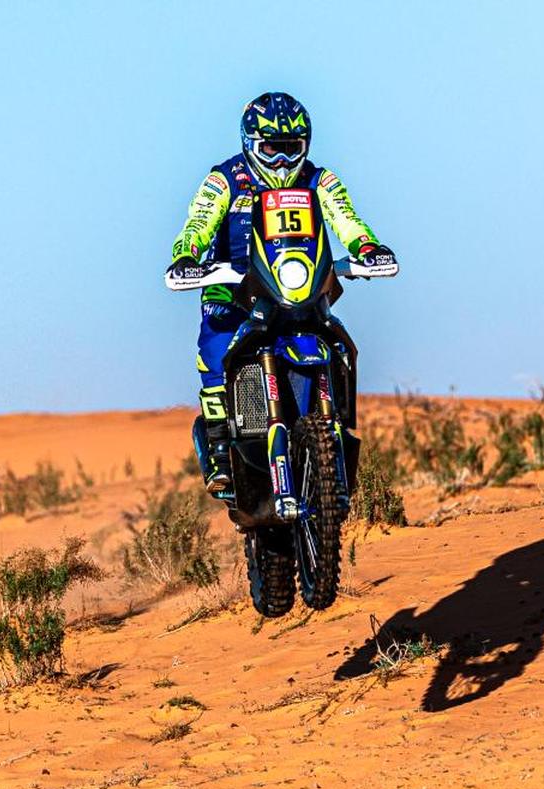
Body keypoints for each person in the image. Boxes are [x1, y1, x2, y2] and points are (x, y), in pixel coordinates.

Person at [169, 92, 394, 491]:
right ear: (250, 144)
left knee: (339, 342)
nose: (280, 160)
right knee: (216, 352)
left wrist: (367, 247)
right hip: (234, 292)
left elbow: (346, 218)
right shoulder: (225, 179)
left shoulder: (319, 179)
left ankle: (335, 429)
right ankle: (222, 451)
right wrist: (187, 255)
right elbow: (198, 222)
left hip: (299, 288)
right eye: (270, 148)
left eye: (291, 149)